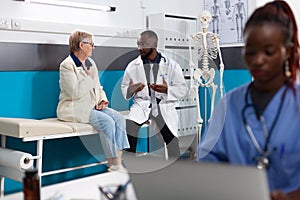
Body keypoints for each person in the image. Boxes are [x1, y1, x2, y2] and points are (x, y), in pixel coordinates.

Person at [198, 1, 300, 199]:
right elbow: (209, 162)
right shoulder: (229, 105)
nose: (258, 60)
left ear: (286, 52)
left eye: (268, 52)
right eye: (251, 52)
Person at [56, 30, 129, 172]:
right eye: (91, 44)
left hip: (93, 106)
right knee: (107, 122)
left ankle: (117, 163)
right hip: (74, 107)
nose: (93, 47)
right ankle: (112, 163)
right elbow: (74, 93)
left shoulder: (91, 63)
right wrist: (89, 78)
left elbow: (97, 86)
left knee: (119, 119)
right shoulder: (67, 65)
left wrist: (102, 99)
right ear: (82, 45)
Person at [121, 30, 188, 158]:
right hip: (143, 104)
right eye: (138, 44)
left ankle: (178, 169)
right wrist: (132, 89)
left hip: (163, 105)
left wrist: (166, 90)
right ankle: (129, 165)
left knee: (171, 138)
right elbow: (125, 88)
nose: (140, 48)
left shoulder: (171, 65)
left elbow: (182, 89)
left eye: (144, 45)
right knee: (130, 128)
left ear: (154, 44)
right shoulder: (132, 66)